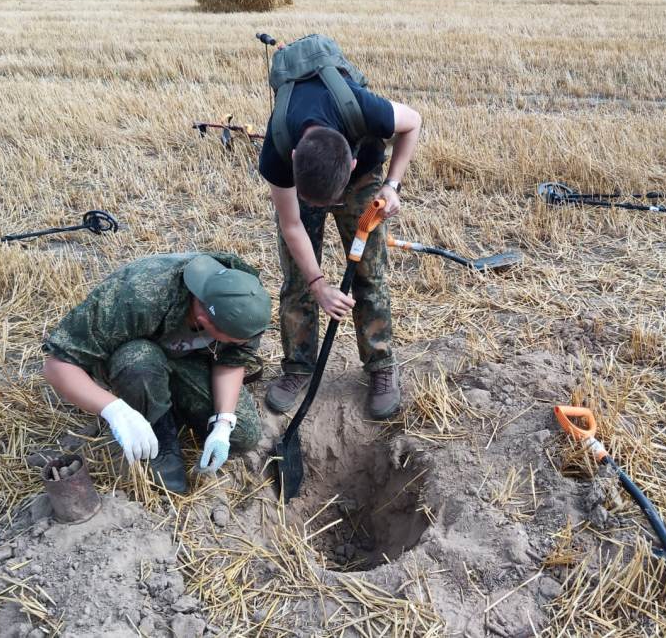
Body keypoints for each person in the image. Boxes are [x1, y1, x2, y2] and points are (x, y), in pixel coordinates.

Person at [258, 44, 422, 421]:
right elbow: (292, 223)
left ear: (350, 163)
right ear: (295, 158)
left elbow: (412, 121)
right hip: (307, 179)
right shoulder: (278, 150)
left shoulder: (364, 109)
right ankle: (298, 367)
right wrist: (319, 284)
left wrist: (392, 186)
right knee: (297, 278)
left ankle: (381, 366)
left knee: (369, 272)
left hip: (363, 184)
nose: (322, 210)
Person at [42, 252, 271, 493]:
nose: (244, 343)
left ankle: (169, 401)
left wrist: (223, 424)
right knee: (138, 361)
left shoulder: (245, 301)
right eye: (234, 340)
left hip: (186, 361)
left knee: (243, 434)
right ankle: (160, 434)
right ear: (204, 319)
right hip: (137, 362)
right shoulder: (139, 295)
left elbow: (232, 359)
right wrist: (116, 411)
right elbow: (57, 366)